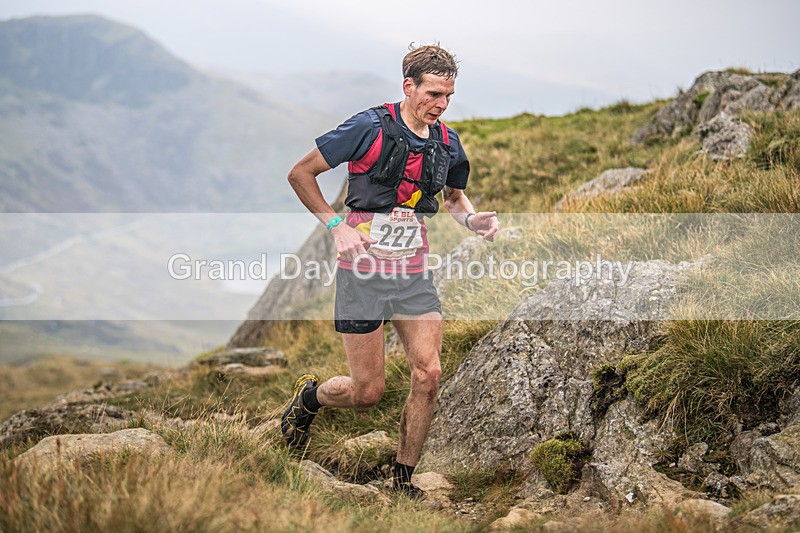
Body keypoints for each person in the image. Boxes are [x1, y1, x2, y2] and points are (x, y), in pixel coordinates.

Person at [281, 44, 500, 498]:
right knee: (367, 393)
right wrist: (337, 226)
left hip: (413, 272)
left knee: (428, 374)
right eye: (433, 94)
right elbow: (300, 174)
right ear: (408, 86)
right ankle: (310, 398)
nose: (441, 104)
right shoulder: (368, 127)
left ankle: (402, 480)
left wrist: (472, 220)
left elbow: (454, 198)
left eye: (448, 96)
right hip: (361, 272)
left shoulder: (448, 142)